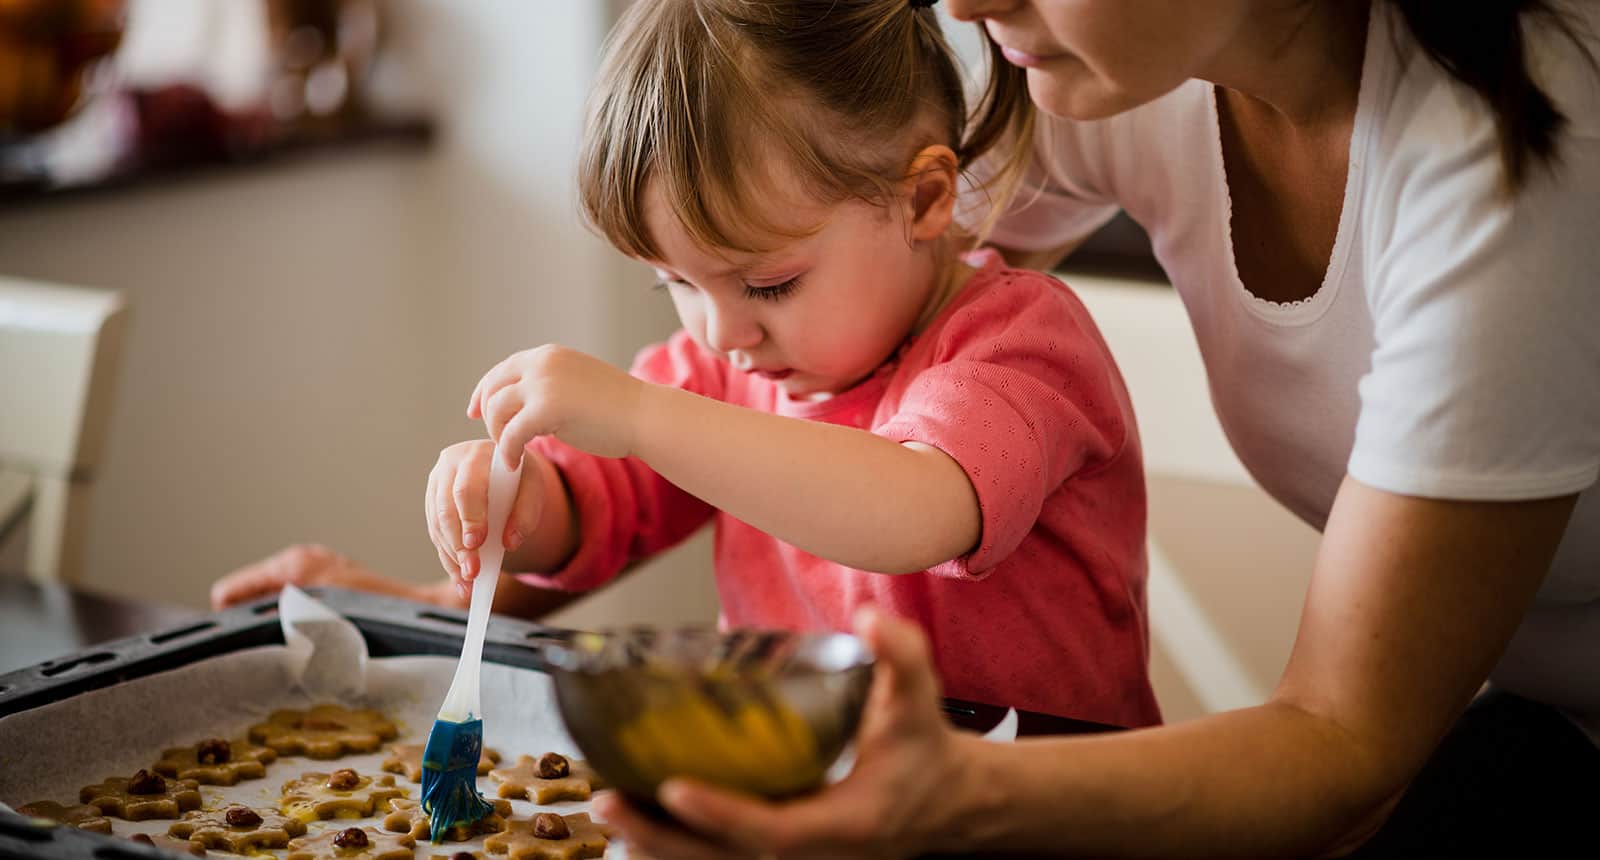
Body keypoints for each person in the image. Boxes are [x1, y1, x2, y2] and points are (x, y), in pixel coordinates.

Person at [590, 0, 1600, 857]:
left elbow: (1341, 742)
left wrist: (950, 796)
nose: (966, 4)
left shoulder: (1515, 165)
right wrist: (538, 527)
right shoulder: (1112, 62)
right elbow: (836, 314)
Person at [415, 0, 1160, 728]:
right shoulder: (724, 372)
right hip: (815, 796)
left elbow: (914, 511)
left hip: (1042, 803)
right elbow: (599, 507)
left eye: (768, 284)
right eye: (675, 282)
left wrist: (640, 415)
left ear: (924, 199)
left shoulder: (1021, 345)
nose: (724, 333)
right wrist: (520, 503)